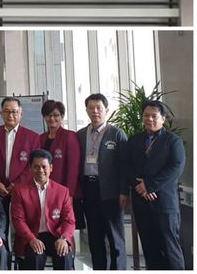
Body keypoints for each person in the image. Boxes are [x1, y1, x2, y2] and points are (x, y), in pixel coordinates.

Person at [126, 100, 186, 270]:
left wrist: (150, 186)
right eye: (146, 115)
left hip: (164, 204)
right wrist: (140, 186)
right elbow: (127, 165)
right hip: (142, 203)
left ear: (163, 118)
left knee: (170, 249)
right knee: (149, 249)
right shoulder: (135, 140)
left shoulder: (173, 141)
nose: (149, 119)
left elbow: (176, 167)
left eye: (154, 116)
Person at [76, 93, 129, 270]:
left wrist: (124, 191)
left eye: (99, 108)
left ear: (106, 110)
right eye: (91, 108)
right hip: (89, 190)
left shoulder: (117, 134)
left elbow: (125, 165)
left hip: (112, 192)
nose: (95, 111)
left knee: (115, 238)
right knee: (94, 237)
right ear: (86, 111)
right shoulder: (81, 134)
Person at [10, 149, 75, 270]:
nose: (40, 170)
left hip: (56, 235)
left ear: (51, 168)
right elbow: (18, 220)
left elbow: (69, 220)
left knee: (63, 253)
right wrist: (31, 239)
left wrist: (63, 238)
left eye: (44, 167)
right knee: (35, 255)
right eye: (36, 167)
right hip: (32, 235)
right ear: (30, 168)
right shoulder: (19, 191)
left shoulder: (62, 191)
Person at [0, 97, 40, 212]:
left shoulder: (32, 137)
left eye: (14, 111)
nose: (10, 115)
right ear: (1, 113)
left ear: (21, 114)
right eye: (7, 111)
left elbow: (33, 165)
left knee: (20, 225)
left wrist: (16, 184)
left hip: (22, 189)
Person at [38, 100, 81, 198]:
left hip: (63, 190)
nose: (52, 118)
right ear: (44, 117)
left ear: (62, 116)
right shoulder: (41, 138)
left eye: (56, 115)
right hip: (44, 189)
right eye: (48, 115)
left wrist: (69, 194)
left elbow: (73, 169)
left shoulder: (69, 136)